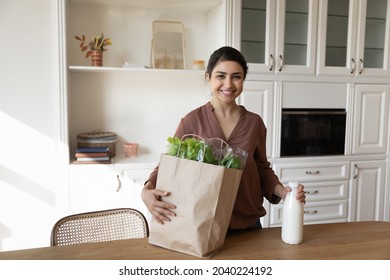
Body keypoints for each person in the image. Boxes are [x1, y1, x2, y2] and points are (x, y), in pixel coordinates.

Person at [142, 46, 306, 230]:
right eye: (220, 76)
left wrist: (282, 191)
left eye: (236, 77)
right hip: (203, 225)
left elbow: (261, 169)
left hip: (248, 224)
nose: (228, 84)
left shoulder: (255, 123)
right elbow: (169, 164)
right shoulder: (192, 121)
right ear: (208, 78)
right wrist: (146, 190)